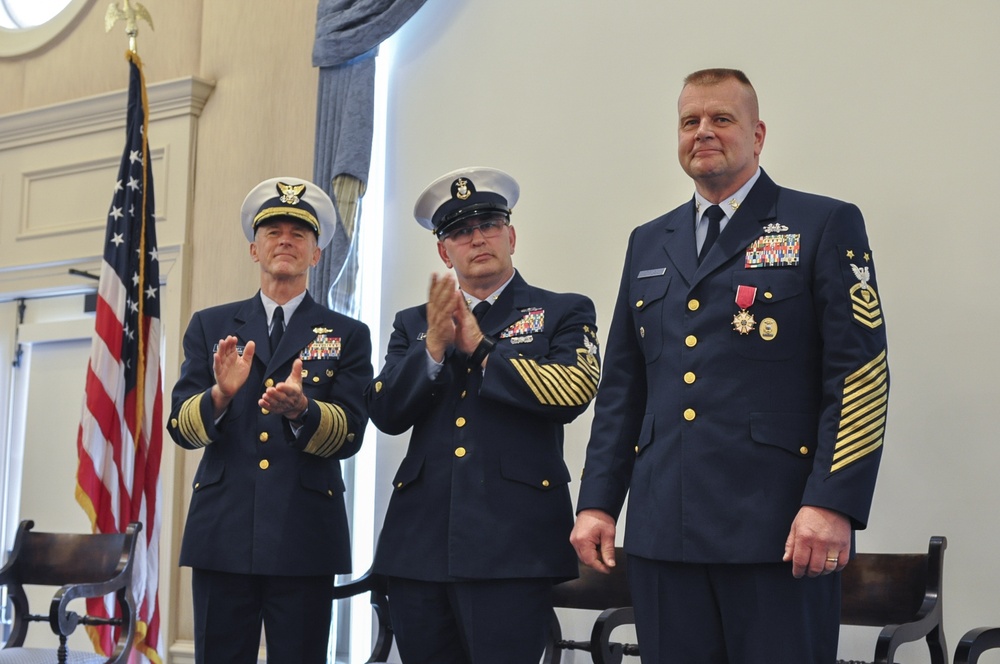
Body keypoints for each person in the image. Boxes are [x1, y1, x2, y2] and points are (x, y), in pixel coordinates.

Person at [570, 68, 889, 663]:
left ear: (758, 133)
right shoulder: (649, 240)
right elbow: (623, 388)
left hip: (780, 530)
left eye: (722, 118)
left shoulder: (820, 223)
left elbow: (860, 375)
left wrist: (833, 502)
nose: (704, 132)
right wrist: (597, 502)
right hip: (666, 531)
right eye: (690, 121)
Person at [366, 166, 602, 664]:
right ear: (442, 250)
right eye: (459, 231)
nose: (477, 238)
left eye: (489, 225)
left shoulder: (562, 311)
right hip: (418, 545)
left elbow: (572, 391)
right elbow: (385, 411)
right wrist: (432, 347)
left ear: (511, 235)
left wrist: (477, 347)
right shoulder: (415, 324)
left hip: (512, 545)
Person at [167, 177, 373, 664]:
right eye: (274, 231)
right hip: (224, 530)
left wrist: (303, 411)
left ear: (316, 254)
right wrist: (219, 394)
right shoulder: (212, 326)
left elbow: (351, 433)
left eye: (299, 233)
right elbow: (180, 426)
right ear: (254, 249)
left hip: (304, 531)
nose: (286, 240)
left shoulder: (348, 333)